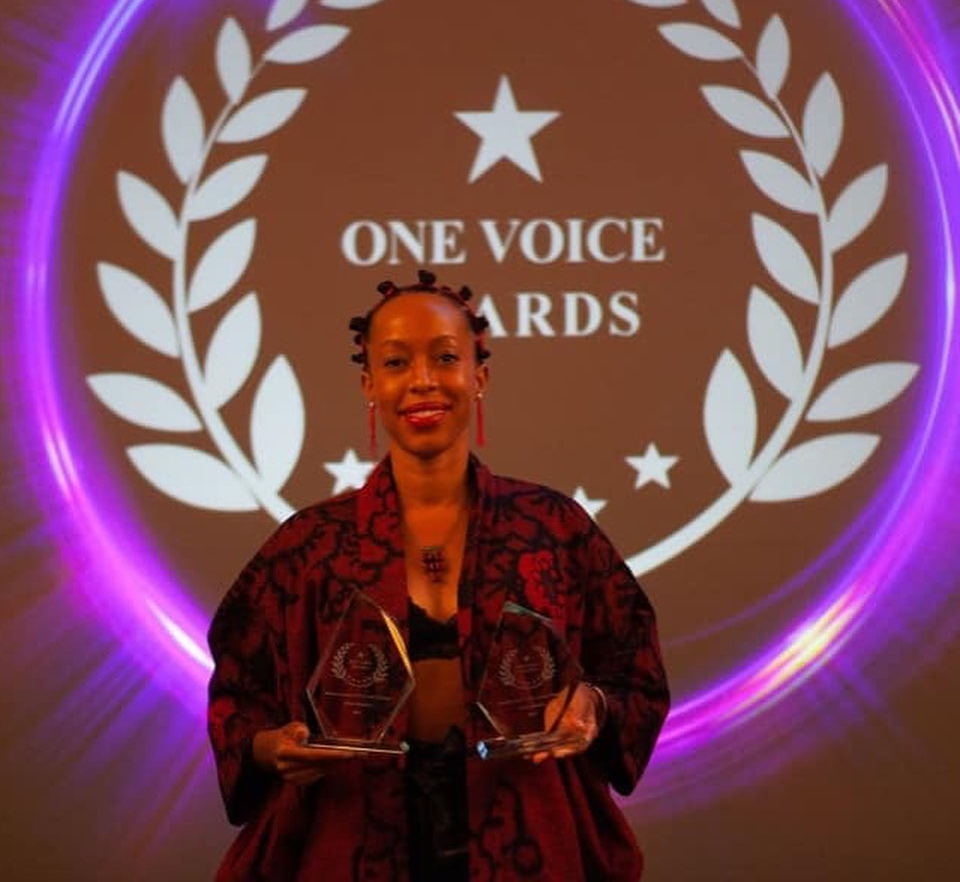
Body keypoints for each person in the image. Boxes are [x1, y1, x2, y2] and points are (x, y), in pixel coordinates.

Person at [207, 270, 670, 881]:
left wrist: (592, 705)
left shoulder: (553, 528)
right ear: (370, 384)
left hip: (527, 829)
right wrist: (274, 749)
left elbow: (635, 670)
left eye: (446, 358)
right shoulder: (309, 545)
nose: (422, 380)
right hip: (350, 830)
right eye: (396, 362)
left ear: (479, 376)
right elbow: (239, 697)